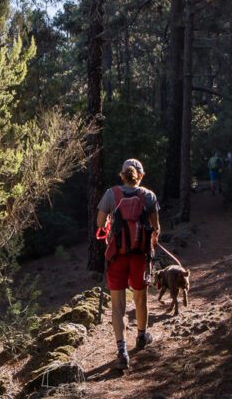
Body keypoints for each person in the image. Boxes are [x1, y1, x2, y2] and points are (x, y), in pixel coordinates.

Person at [96, 158, 160, 369]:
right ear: (140, 176)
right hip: (140, 255)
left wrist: (110, 224)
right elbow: (156, 227)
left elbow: (99, 223)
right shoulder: (148, 195)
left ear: (122, 175)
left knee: (118, 306)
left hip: (116, 255)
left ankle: (122, 350)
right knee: (140, 299)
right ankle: (141, 337)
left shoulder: (111, 194)